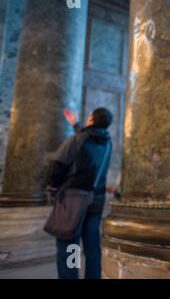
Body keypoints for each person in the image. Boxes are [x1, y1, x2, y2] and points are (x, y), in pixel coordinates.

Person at [47, 107, 113, 279]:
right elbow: (88, 142)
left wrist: (53, 189)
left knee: (70, 246)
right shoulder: (107, 143)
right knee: (92, 247)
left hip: (73, 202)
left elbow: (57, 167)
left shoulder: (76, 140)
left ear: (91, 119)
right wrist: (75, 124)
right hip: (96, 202)